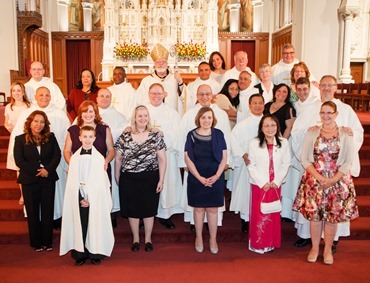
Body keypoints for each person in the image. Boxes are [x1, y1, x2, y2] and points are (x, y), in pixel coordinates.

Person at [291, 75, 363, 251]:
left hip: (336, 172)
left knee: (334, 207)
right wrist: (307, 133)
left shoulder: (345, 110)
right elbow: (296, 132)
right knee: (312, 207)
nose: (326, 89)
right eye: (323, 85)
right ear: (318, 86)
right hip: (315, 170)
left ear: (335, 87)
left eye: (330, 85)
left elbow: (358, 132)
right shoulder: (310, 108)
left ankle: (332, 241)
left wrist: (350, 133)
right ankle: (308, 238)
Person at [8, 86, 70, 226]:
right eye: (41, 95)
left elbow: (67, 137)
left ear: (51, 97)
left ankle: (56, 217)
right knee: (34, 201)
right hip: (31, 165)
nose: (44, 98)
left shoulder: (60, 114)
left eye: (47, 95)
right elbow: (18, 136)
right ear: (35, 96)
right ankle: (36, 223)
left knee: (55, 193)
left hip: (54, 161)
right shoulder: (27, 113)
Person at [177, 84, 231, 229]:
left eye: (207, 94)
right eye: (201, 94)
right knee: (197, 200)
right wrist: (184, 164)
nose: (204, 97)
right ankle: (195, 223)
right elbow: (182, 138)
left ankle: (213, 223)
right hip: (195, 166)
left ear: (212, 95)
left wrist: (227, 162)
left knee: (213, 201)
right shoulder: (189, 114)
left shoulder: (221, 114)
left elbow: (227, 138)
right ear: (197, 96)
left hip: (215, 166)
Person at [114, 105, 167, 252]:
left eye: (145, 116)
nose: (143, 118)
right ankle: (136, 238)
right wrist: (117, 177)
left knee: (149, 209)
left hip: (150, 177)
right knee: (133, 210)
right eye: (140, 116)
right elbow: (118, 159)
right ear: (134, 118)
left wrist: (161, 180)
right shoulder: (125, 136)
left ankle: (148, 239)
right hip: (129, 178)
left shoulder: (156, 136)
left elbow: (162, 159)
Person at [60, 126, 114, 266]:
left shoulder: (99, 159)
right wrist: (80, 198)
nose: (88, 139)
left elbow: (101, 183)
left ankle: (95, 253)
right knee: (80, 224)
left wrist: (91, 198)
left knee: (94, 223)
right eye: (85, 136)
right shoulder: (74, 159)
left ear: (95, 139)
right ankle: (80, 254)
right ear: (79, 138)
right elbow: (72, 183)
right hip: (79, 198)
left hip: (94, 199)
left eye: (91, 137)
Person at [14, 110, 61, 252]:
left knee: (47, 210)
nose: (38, 124)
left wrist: (47, 170)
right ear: (30, 122)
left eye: (42, 121)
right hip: (29, 180)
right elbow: (19, 161)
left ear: (45, 124)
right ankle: (36, 242)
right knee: (33, 212)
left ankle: (47, 242)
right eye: (36, 121)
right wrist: (38, 171)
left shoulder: (50, 137)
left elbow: (56, 155)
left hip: (48, 179)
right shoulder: (20, 139)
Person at [185, 107, 227, 254]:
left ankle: (213, 239)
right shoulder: (191, 135)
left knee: (212, 209)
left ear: (213, 119)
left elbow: (224, 158)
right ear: (199, 119)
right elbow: (188, 159)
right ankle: (199, 238)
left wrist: (216, 176)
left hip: (215, 177)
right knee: (198, 209)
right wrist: (199, 177)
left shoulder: (219, 134)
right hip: (197, 177)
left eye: (209, 117)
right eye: (203, 117)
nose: (206, 120)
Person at [247, 114, 290, 254]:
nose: (270, 128)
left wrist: (276, 182)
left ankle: (271, 242)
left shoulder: (284, 142)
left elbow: (286, 163)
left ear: (277, 126)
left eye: (273, 125)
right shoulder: (254, 143)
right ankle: (257, 243)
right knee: (259, 213)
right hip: (259, 184)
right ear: (261, 128)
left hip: (275, 184)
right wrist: (262, 182)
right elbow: (250, 165)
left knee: (273, 212)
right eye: (266, 125)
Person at [145, 84, 183, 229]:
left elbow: (177, 133)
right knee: (148, 185)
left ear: (165, 94)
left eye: (159, 93)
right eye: (153, 93)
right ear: (148, 94)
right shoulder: (143, 109)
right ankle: (147, 214)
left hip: (166, 153)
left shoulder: (172, 113)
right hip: (146, 155)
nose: (156, 96)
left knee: (166, 184)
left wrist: (163, 134)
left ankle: (165, 215)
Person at [230, 94, 264, 233]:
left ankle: (261, 217)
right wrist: (243, 154)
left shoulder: (268, 122)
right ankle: (245, 219)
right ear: (250, 105)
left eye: (260, 103)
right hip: (247, 164)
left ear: (264, 105)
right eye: (254, 103)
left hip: (264, 166)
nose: (257, 105)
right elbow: (234, 141)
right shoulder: (242, 124)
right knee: (246, 192)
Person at [96, 88, 128, 226]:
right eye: (102, 96)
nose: (104, 98)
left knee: (112, 186)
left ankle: (112, 213)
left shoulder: (119, 116)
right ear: (96, 98)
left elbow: (124, 134)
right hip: (93, 157)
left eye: (107, 96)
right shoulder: (89, 112)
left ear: (111, 98)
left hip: (112, 156)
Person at [136, 43, 184, 114]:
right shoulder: (146, 81)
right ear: (154, 64)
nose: (160, 64)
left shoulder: (174, 79)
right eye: (158, 62)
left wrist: (180, 83)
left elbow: (185, 99)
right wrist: (158, 97)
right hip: (152, 116)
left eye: (163, 62)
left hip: (171, 116)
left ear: (167, 64)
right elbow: (139, 100)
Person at [4, 82, 31, 205]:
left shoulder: (29, 106)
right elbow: (6, 123)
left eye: (19, 90)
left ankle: (29, 192)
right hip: (15, 139)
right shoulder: (9, 107)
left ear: (23, 92)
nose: (16, 93)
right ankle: (23, 195)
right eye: (14, 91)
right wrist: (8, 126)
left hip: (26, 138)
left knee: (27, 165)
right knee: (18, 167)